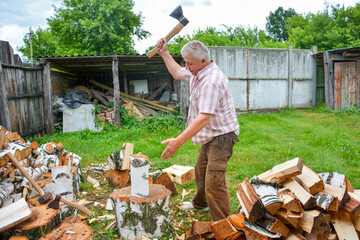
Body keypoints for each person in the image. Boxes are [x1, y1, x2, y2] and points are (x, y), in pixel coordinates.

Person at [156, 38, 239, 221]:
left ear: (203, 61)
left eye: (190, 63)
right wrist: (164, 52)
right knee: (201, 171)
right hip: (211, 133)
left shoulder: (211, 81)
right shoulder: (197, 71)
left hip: (222, 136)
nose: (187, 67)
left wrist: (178, 141)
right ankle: (201, 205)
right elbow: (177, 72)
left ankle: (224, 224)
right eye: (186, 62)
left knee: (214, 182)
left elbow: (203, 118)